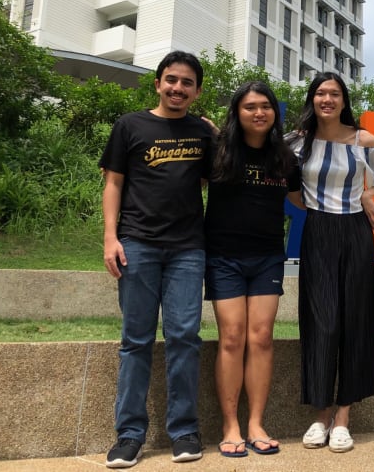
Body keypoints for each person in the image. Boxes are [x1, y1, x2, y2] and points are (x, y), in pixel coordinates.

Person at [100, 51, 213, 468]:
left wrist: (216, 134)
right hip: (138, 244)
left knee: (185, 337)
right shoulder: (130, 125)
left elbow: (209, 178)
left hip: (188, 248)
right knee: (136, 341)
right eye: (171, 80)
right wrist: (111, 237)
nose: (177, 88)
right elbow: (113, 183)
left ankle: (184, 431)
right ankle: (129, 435)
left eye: (186, 83)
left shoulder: (203, 133)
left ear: (197, 91)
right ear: (158, 83)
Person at [288, 72, 374, 453]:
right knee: (322, 320)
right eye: (320, 92)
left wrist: (367, 195)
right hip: (318, 232)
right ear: (312, 98)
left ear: (343, 100)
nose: (327, 99)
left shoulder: (362, 139)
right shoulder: (298, 142)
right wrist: (312, 207)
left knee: (354, 320)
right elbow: (284, 180)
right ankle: (319, 415)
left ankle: (342, 418)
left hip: (355, 232)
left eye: (334, 93)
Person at [203, 81, 302, 458]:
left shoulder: (285, 159)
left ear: (275, 112)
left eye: (265, 106)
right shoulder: (218, 151)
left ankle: (256, 423)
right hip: (223, 256)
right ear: (237, 112)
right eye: (249, 107)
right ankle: (230, 426)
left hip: (267, 258)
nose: (258, 112)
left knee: (261, 337)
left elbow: (302, 200)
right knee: (232, 337)